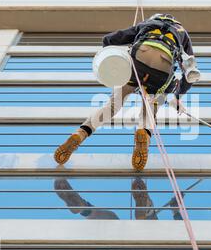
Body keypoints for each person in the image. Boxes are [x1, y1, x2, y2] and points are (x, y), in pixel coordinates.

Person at [54, 13, 199, 171]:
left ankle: (81, 133)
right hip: (163, 67)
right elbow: (190, 70)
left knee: (112, 106)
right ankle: (143, 132)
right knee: (150, 110)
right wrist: (178, 97)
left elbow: (109, 39)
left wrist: (111, 61)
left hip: (138, 59)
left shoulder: (147, 25)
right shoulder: (182, 33)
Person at [54, 177, 192, 250]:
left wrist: (175, 211)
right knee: (152, 233)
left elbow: (184, 240)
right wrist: (175, 211)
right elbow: (185, 243)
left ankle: (83, 207)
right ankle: (144, 210)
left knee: (113, 221)